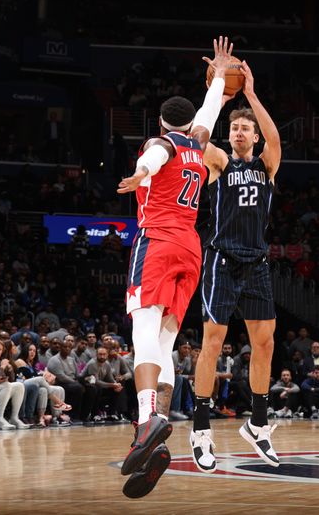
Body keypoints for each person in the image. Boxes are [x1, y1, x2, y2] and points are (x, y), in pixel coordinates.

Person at [116, 37, 233, 498]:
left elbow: (156, 155)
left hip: (158, 241)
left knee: (142, 334)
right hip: (191, 246)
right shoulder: (200, 148)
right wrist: (220, 77)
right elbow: (207, 117)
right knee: (164, 339)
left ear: (163, 122)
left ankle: (147, 422)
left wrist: (142, 172)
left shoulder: (160, 142)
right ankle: (157, 432)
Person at [190, 54, 283, 474]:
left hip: (257, 263)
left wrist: (249, 93)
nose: (240, 130)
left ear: (254, 135)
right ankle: (201, 429)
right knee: (213, 342)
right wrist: (220, 96)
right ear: (229, 136)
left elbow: (276, 137)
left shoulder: (267, 165)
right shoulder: (220, 163)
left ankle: (258, 424)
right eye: (235, 127)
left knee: (264, 344)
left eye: (246, 127)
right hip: (223, 261)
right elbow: (195, 135)